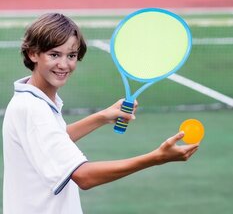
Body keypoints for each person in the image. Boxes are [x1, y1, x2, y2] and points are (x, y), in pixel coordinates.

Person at [2, 13, 199, 214]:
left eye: (71, 55)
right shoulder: (34, 110)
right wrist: (156, 158)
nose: (64, 64)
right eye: (54, 55)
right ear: (33, 54)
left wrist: (102, 117)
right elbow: (84, 177)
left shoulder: (31, 101)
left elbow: (51, 141)